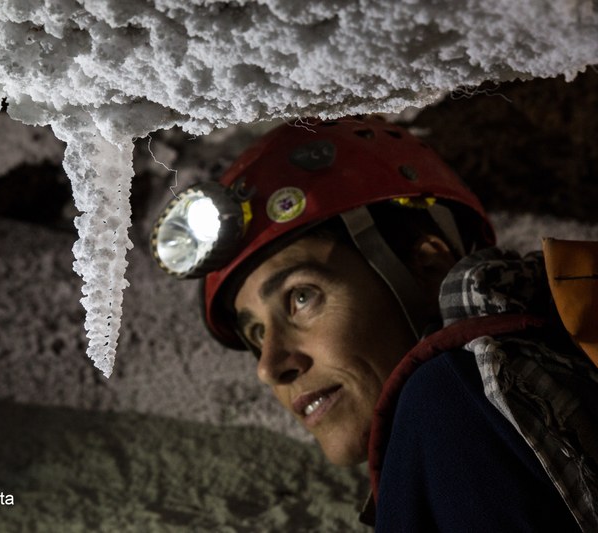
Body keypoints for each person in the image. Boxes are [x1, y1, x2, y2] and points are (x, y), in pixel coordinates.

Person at [149, 116, 598, 531]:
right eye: (257, 334)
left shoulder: (452, 398)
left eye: (301, 298)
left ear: (429, 265)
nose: (269, 366)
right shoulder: (515, 391)